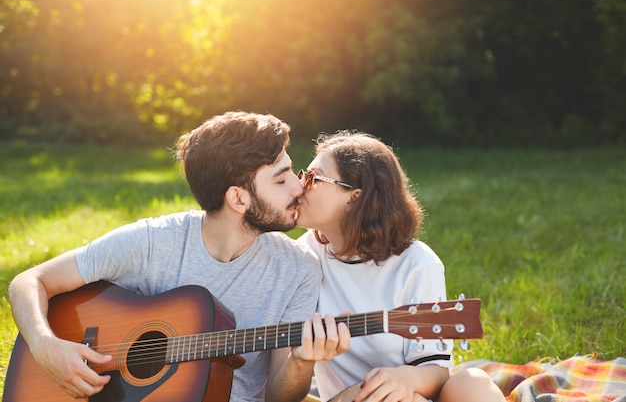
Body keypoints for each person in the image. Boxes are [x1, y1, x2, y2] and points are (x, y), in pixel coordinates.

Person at [7, 111, 336, 402]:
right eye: (281, 178)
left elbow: (280, 399)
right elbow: (30, 281)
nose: (298, 187)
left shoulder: (299, 270)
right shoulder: (154, 241)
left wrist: (302, 361)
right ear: (238, 198)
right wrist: (45, 346)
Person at [295, 131, 505, 402]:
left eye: (313, 178)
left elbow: (437, 370)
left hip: (406, 396)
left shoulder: (417, 264)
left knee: (472, 382)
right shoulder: (302, 256)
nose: (299, 185)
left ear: (354, 197)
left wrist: (408, 378)